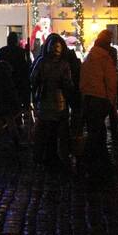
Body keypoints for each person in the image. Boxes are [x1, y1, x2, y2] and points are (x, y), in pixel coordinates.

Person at [30, 33, 73, 164]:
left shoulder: (62, 64)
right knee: (47, 130)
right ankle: (47, 155)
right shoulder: (43, 62)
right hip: (46, 99)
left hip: (57, 100)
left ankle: (50, 155)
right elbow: (33, 79)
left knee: (53, 131)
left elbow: (67, 83)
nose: (56, 49)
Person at [78, 29, 118, 160]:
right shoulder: (105, 58)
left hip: (88, 97)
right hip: (100, 97)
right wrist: (110, 100)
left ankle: (94, 155)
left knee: (92, 127)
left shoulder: (89, 57)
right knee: (99, 129)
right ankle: (97, 156)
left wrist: (84, 93)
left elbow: (83, 78)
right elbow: (111, 80)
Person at [0, 31, 32, 133]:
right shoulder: (21, 52)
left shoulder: (3, 51)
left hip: (5, 82)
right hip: (18, 82)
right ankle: (17, 124)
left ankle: (5, 125)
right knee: (16, 104)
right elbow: (26, 67)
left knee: (7, 104)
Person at [0, 59, 23, 153]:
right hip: (7, 107)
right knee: (12, 125)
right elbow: (12, 95)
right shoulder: (8, 83)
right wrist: (17, 105)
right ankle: (16, 144)